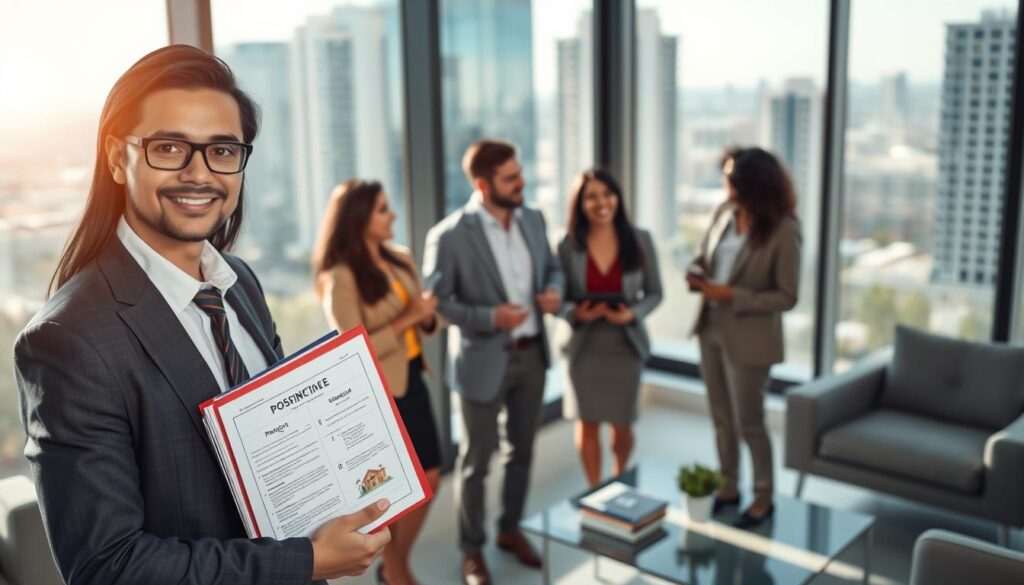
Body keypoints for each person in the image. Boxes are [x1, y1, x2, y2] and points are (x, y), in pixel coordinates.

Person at [14, 45, 390, 585]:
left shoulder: (240, 283)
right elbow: (110, 569)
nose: (199, 174)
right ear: (119, 159)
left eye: (221, 150)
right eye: (170, 147)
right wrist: (308, 561)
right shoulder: (67, 339)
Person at [423, 139, 564, 585]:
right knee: (476, 462)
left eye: (519, 173)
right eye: (510, 178)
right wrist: (491, 317)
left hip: (532, 356)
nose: (521, 182)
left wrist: (553, 292)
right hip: (481, 362)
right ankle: (471, 552)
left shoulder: (535, 219)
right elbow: (438, 305)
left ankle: (509, 530)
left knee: (522, 450)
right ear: (483, 185)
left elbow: (554, 268)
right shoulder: (448, 236)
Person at [312, 179, 443, 585]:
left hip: (414, 380)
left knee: (431, 477)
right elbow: (352, 345)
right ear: (360, 218)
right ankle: (397, 568)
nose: (394, 216)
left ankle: (396, 561)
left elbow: (428, 324)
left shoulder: (401, 258)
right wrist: (407, 317)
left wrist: (425, 316)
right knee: (399, 488)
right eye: (384, 209)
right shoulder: (340, 277)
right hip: (380, 394)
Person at [686, 146, 801, 529]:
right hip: (711, 328)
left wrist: (732, 295)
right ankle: (729, 486)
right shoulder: (724, 213)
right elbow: (706, 256)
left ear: (753, 183)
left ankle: (764, 497)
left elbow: (787, 296)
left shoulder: (784, 229)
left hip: (750, 339)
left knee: (749, 421)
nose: (725, 183)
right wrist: (696, 270)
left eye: (732, 177)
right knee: (721, 417)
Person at [557, 168, 662, 486]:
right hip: (584, 347)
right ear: (580, 203)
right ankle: (594, 489)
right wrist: (575, 312)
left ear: (617, 197)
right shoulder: (567, 246)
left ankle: (618, 482)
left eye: (607, 194)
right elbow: (555, 298)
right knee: (587, 423)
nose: (601, 202)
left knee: (623, 424)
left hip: (624, 346)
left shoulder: (640, 239)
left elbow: (655, 293)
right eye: (591, 196)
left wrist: (632, 315)